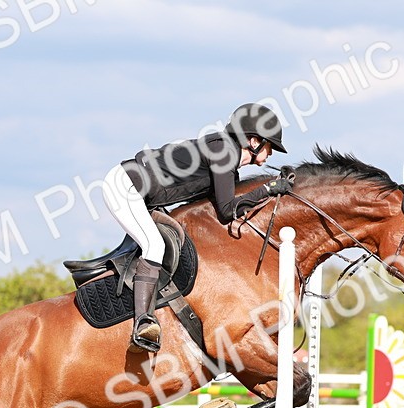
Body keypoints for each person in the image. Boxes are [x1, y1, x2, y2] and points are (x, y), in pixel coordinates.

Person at [101, 103, 294, 353]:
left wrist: (270, 188)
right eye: (270, 146)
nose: (271, 154)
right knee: (155, 245)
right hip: (126, 186)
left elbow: (225, 207)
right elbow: (228, 210)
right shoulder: (223, 150)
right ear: (254, 140)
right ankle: (143, 323)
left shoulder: (227, 160)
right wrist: (268, 189)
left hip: (142, 195)